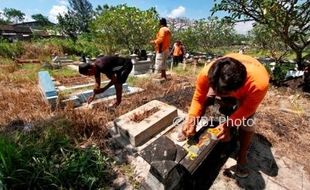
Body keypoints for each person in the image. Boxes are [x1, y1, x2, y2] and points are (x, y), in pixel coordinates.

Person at [180, 53, 269, 178]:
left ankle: (242, 155)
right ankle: (190, 130)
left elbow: (248, 109)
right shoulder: (207, 73)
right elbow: (198, 98)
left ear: (237, 89)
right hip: (223, 82)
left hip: (246, 87)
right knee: (206, 100)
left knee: (247, 122)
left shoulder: (258, 84)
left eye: (222, 94)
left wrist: (228, 125)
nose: (218, 95)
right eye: (215, 90)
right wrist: (191, 118)